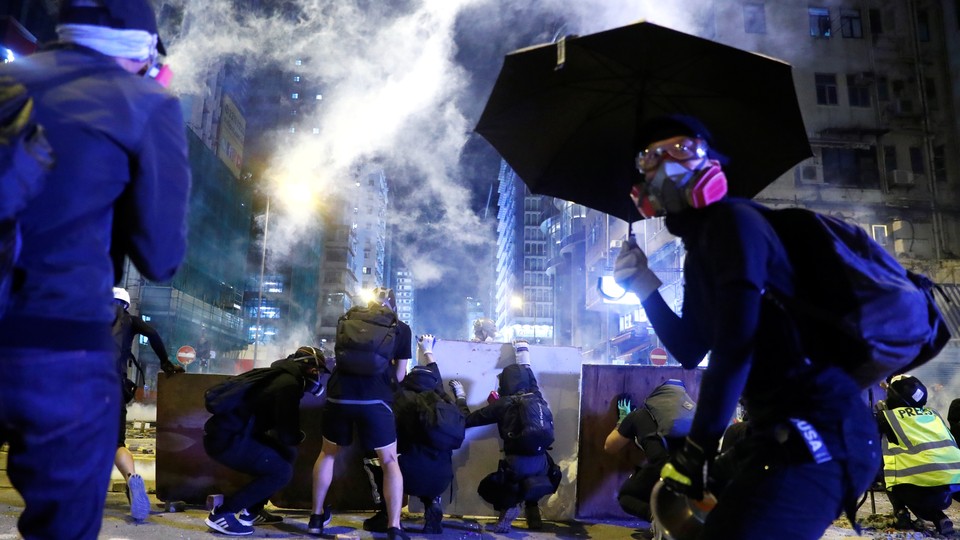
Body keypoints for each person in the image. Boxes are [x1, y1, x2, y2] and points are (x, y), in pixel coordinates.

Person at [613, 115, 879, 539]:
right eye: (649, 158)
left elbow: (736, 346)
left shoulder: (734, 222)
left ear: (710, 160)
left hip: (821, 437)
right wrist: (644, 288)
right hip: (772, 437)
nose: (665, 165)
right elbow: (690, 349)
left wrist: (697, 449)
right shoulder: (697, 251)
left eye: (680, 149)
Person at [0, 1, 190, 538]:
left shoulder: (7, 78)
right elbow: (160, 257)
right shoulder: (146, 103)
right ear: (141, 49)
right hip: (59, 351)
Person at [309, 287, 412, 540]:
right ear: (393, 304)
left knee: (327, 454)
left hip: (339, 396)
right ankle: (394, 527)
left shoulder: (346, 319)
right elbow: (399, 376)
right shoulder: (400, 327)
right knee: (389, 461)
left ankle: (316, 518)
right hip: (376, 399)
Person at [203, 346, 330, 536]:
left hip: (233, 435)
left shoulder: (280, 376)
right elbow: (287, 434)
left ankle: (252, 512)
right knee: (281, 472)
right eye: (316, 371)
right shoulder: (289, 385)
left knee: (287, 454)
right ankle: (223, 514)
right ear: (309, 369)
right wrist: (299, 436)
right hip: (228, 440)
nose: (317, 377)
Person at [362, 334, 470, 534]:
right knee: (434, 457)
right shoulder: (444, 403)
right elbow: (464, 416)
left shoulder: (398, 399)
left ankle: (387, 514)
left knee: (374, 460)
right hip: (440, 479)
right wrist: (460, 397)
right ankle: (433, 506)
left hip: (405, 477)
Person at [462, 340, 556, 533]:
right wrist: (523, 352)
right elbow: (530, 379)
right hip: (543, 463)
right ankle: (533, 514)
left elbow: (469, 420)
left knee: (497, 485)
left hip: (516, 462)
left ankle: (510, 507)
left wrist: (460, 397)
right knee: (530, 479)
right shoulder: (536, 397)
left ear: (505, 383)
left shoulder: (502, 404)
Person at [112, 286, 183, 521]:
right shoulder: (130, 320)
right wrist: (165, 362)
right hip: (112, 387)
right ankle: (132, 478)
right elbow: (152, 333)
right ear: (125, 304)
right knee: (117, 444)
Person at [603, 379, 695, 526]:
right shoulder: (689, 414)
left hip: (663, 467)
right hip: (694, 467)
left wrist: (623, 420)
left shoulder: (638, 416)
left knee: (626, 496)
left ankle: (658, 520)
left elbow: (610, 446)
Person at [875, 374, 960, 535]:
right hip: (953, 484)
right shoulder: (933, 414)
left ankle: (901, 513)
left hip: (920, 489)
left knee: (887, 466)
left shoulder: (887, 416)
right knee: (925, 488)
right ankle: (939, 518)